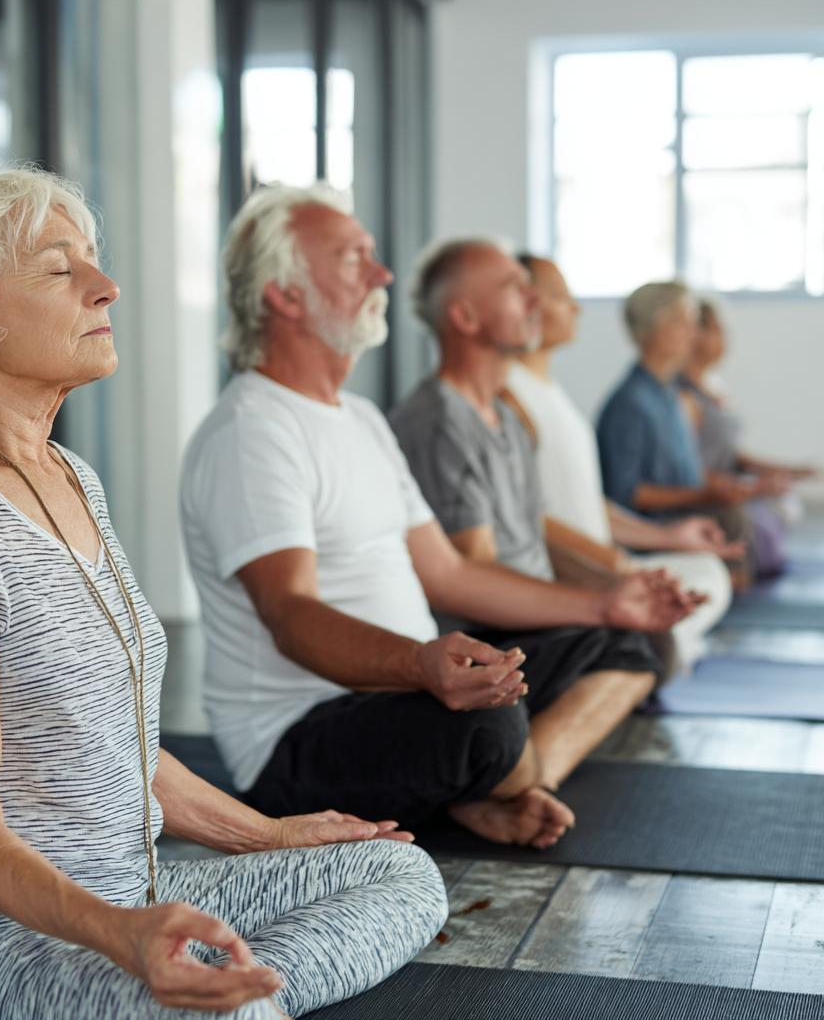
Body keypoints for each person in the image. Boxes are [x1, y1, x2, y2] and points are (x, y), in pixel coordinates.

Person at [0, 169, 448, 1020]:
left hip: (128, 898)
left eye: (93, 260)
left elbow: (108, 742)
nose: (106, 286)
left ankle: (233, 997)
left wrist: (270, 836)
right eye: (62, 270)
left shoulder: (68, 477)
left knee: (400, 873)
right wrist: (121, 936)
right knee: (217, 1006)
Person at [181, 184, 694, 857]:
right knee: (489, 723)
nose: (382, 273)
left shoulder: (360, 418)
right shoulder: (252, 431)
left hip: (402, 692)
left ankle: (493, 791)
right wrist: (420, 664)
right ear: (286, 295)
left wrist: (604, 601)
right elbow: (289, 614)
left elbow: (448, 575)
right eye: (353, 258)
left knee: (620, 646)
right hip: (298, 738)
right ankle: (493, 781)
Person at [503, 256, 737, 668]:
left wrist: (670, 538)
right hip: (578, 568)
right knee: (704, 578)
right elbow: (533, 519)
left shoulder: (552, 392)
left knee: (707, 569)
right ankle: (652, 647)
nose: (577, 308)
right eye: (561, 297)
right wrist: (620, 567)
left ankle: (656, 644)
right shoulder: (511, 396)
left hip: (604, 555)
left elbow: (591, 503)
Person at [595, 281, 757, 586]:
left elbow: (684, 473)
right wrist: (703, 494)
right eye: (683, 322)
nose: (694, 334)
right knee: (730, 521)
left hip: (685, 514)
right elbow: (626, 493)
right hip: (650, 532)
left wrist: (722, 486)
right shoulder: (630, 404)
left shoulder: (670, 395)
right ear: (649, 329)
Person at [679, 298, 815, 576]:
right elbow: (685, 470)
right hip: (711, 494)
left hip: (734, 487)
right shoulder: (682, 397)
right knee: (765, 528)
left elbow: (732, 453)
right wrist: (753, 487)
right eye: (718, 330)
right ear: (695, 334)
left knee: (787, 503)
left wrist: (790, 471)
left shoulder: (714, 385)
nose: (725, 339)